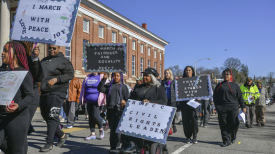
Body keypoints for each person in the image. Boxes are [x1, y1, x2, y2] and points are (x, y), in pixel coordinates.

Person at [122, 67, 167, 153]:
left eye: (147, 76)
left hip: (153, 118)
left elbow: (163, 102)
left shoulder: (159, 88)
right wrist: (126, 102)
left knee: (151, 143)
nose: (144, 77)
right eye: (144, 76)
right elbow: (131, 98)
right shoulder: (139, 87)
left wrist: (151, 102)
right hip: (138, 116)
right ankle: (132, 145)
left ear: (152, 77)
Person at [0, 41, 34, 154]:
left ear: (15, 53)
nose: (2, 53)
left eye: (6, 50)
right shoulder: (2, 72)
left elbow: (30, 96)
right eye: (3, 50)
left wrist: (18, 105)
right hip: (2, 116)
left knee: (17, 150)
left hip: (17, 119)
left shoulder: (24, 73)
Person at [39, 44, 74, 152]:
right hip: (44, 91)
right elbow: (38, 73)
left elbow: (70, 74)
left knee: (52, 116)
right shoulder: (44, 60)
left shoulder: (64, 61)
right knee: (45, 115)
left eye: (54, 48)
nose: (51, 50)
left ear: (59, 48)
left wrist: (57, 79)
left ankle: (49, 143)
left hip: (57, 92)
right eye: (50, 48)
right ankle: (62, 135)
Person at [213, 68, 246, 147]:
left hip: (233, 108)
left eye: (227, 74)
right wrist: (217, 107)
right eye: (224, 74)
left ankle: (232, 136)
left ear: (231, 75)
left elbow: (240, 97)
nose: (226, 75)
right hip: (222, 108)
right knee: (223, 124)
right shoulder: (219, 85)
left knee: (234, 123)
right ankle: (226, 140)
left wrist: (243, 106)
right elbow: (215, 97)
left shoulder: (235, 85)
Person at [98, 72, 129, 153]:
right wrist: (104, 79)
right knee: (112, 130)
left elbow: (128, 99)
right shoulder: (109, 86)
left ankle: (120, 145)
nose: (116, 77)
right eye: (114, 76)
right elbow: (100, 89)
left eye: (118, 76)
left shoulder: (124, 87)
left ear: (121, 77)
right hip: (111, 110)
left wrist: (125, 102)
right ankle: (113, 147)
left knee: (119, 130)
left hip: (120, 111)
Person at [79, 72, 104, 140]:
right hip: (88, 100)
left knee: (95, 115)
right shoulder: (87, 77)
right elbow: (83, 89)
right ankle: (92, 133)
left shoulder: (101, 76)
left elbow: (104, 88)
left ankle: (101, 128)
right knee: (91, 117)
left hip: (97, 101)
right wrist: (81, 99)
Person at [178, 66, 199, 144]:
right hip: (184, 104)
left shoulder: (197, 80)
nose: (188, 71)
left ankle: (195, 136)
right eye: (186, 70)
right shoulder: (181, 81)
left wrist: (200, 98)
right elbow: (179, 92)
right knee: (186, 121)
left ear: (192, 71)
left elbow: (201, 91)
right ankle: (187, 136)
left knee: (194, 120)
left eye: (189, 70)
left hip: (194, 103)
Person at [161, 69, 177, 133]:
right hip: (165, 100)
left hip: (172, 100)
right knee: (165, 115)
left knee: (172, 114)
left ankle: (173, 124)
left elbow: (176, 91)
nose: (166, 74)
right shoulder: (162, 82)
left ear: (170, 74)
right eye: (165, 73)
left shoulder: (173, 82)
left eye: (168, 73)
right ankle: (167, 127)